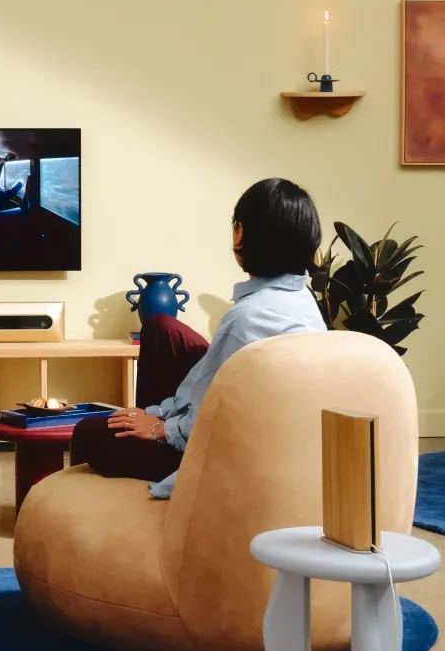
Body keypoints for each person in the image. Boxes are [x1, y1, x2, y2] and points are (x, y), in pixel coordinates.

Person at [69, 178, 329, 500]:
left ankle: (128, 486)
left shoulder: (245, 320)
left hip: (211, 452)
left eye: (238, 225)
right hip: (264, 428)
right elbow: (207, 375)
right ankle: (140, 422)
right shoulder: (303, 300)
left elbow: (207, 417)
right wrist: (159, 410)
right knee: (163, 328)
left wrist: (158, 428)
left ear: (245, 236)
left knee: (88, 432)